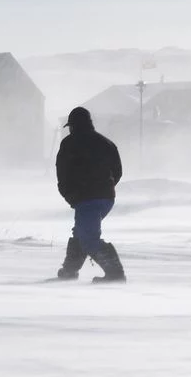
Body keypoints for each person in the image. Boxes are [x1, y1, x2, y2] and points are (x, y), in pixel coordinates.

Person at [55, 106, 126, 283]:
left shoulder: (69, 143)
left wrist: (70, 194)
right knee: (82, 232)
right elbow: (117, 171)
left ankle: (115, 274)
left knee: (88, 238)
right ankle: (69, 270)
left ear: (73, 125)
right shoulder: (105, 142)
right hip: (106, 198)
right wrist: (107, 188)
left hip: (85, 198)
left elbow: (62, 173)